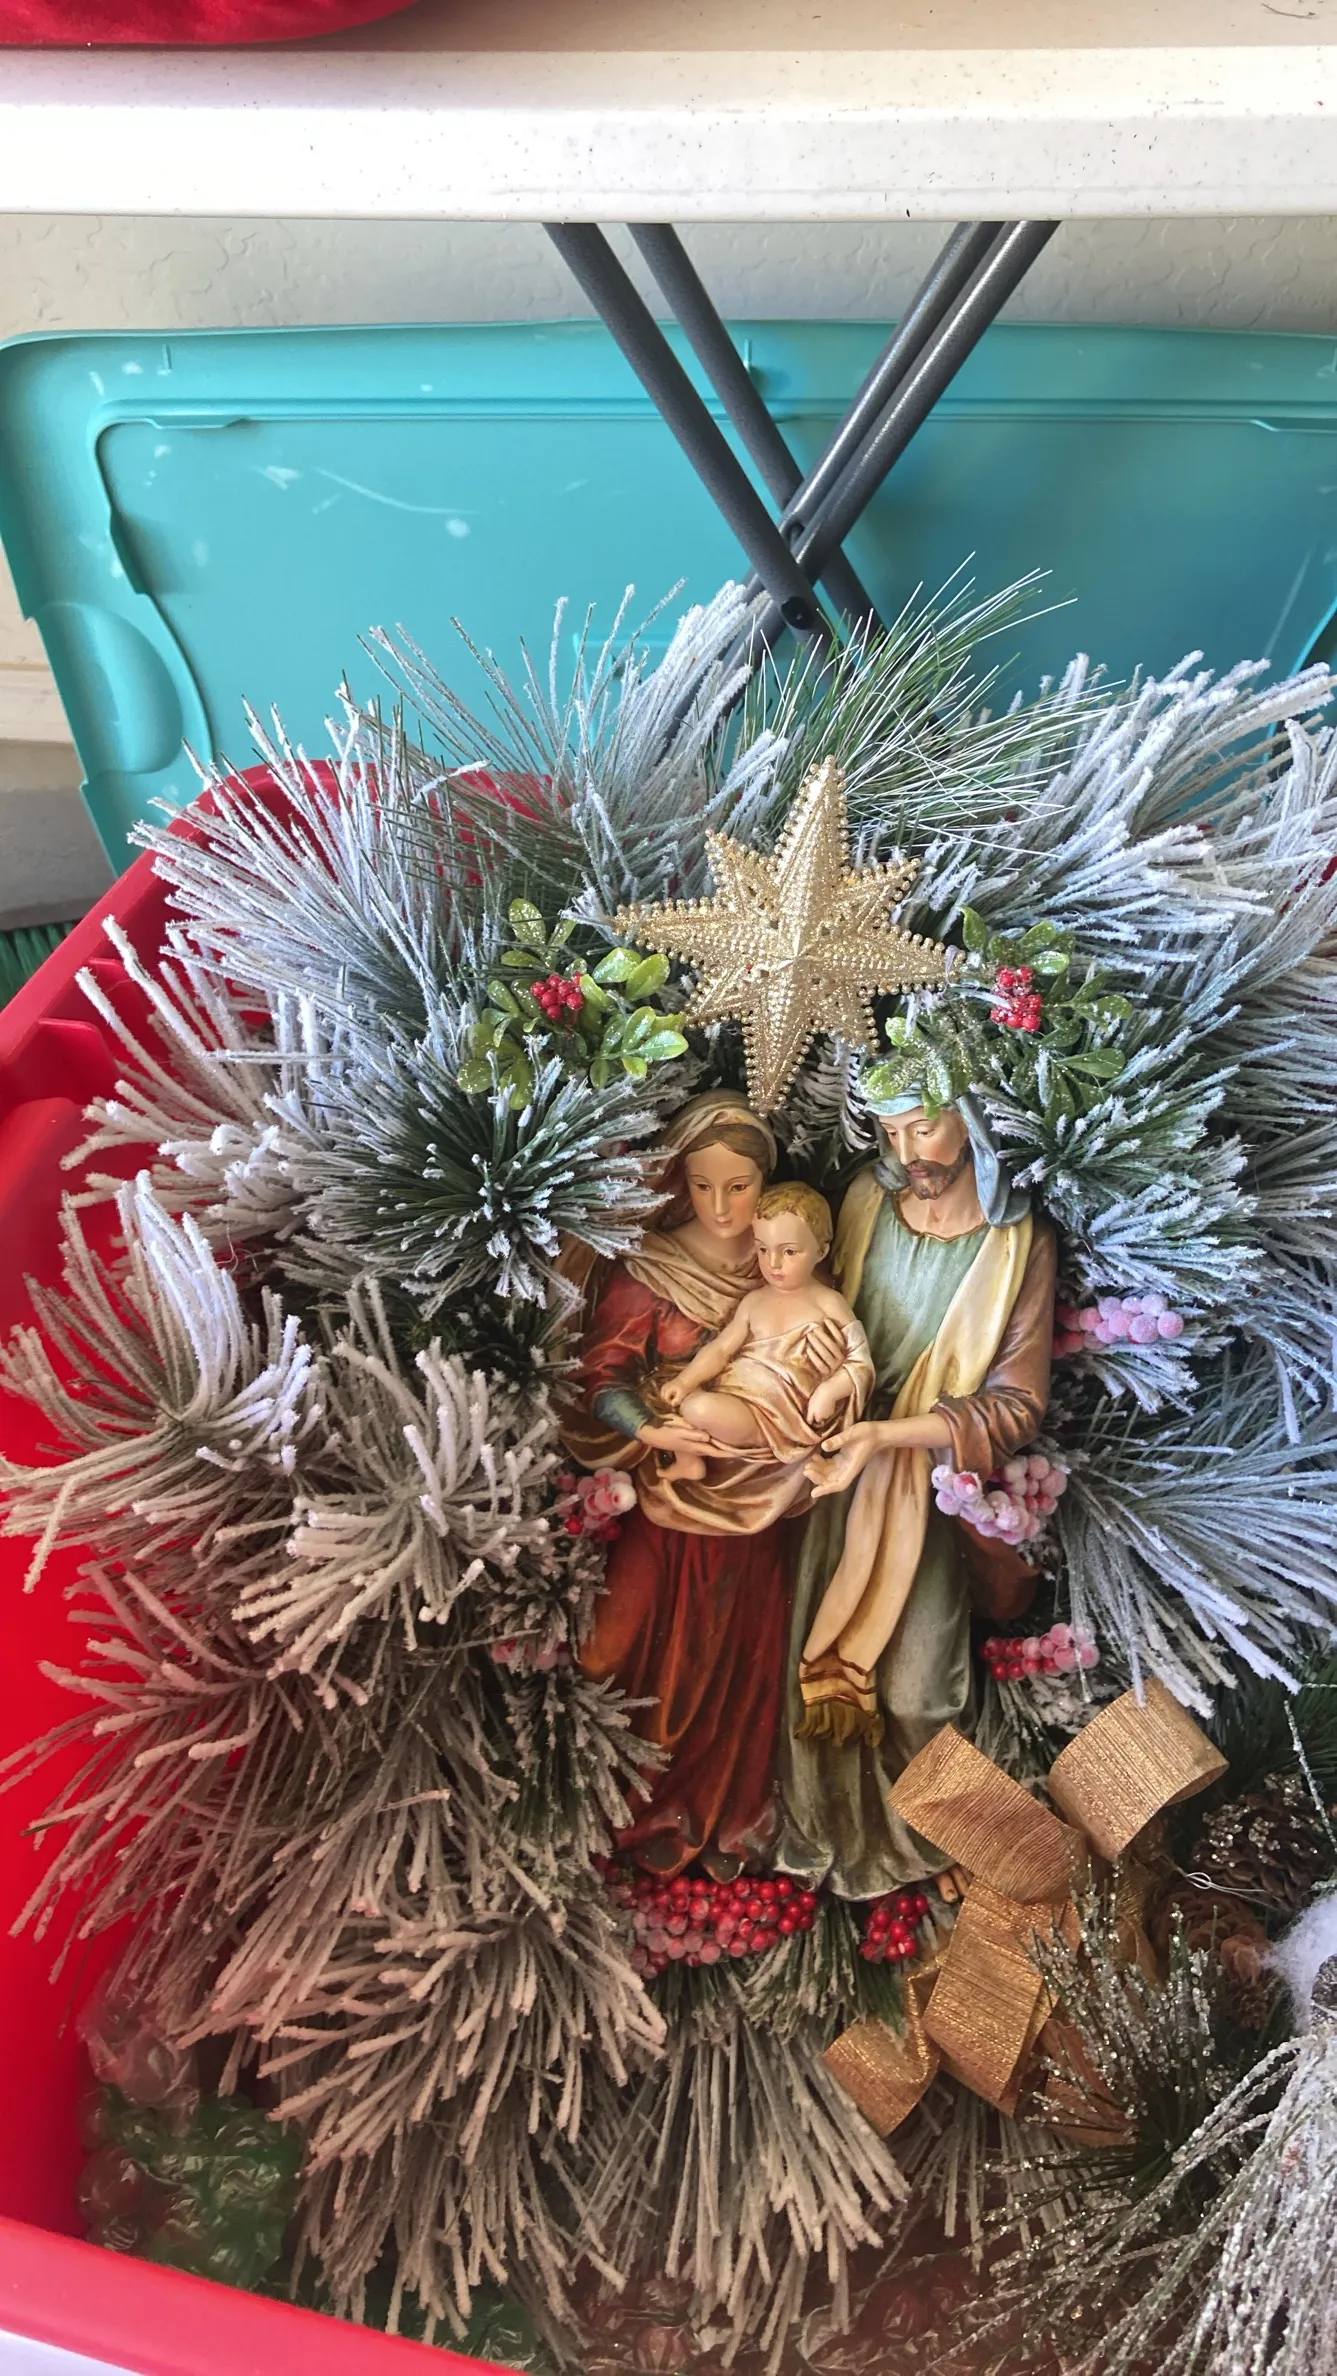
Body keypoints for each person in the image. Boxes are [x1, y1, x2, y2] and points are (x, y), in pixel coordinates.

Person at [776, 1087, 1057, 1899]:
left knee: (917, 1690)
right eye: (890, 1132)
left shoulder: (1017, 1242)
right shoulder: (865, 1201)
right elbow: (816, 1319)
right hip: (830, 1470)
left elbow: (1016, 1406)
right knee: (807, 1675)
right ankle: (838, 1839)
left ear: (968, 1119)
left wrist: (887, 1437)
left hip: (928, 1484)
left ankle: (951, 1843)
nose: (908, 1155)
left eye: (924, 1128)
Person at [564, 1092, 835, 1877]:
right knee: (612, 1650)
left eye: (739, 1186)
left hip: (761, 1498)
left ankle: (717, 1817)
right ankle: (614, 1804)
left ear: (766, 1184)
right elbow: (602, 1377)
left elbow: (831, 1355)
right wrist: (650, 1430)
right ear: (679, 1181)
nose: (720, 1207)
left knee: (736, 1660)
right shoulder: (650, 1267)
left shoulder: (787, 1267)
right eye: (703, 1184)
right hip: (666, 1497)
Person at [659, 1182, 874, 1484]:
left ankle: (717, 1440)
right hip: (736, 1393)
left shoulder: (828, 1302)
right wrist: (685, 1380)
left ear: (821, 1251)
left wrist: (829, 1391)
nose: (773, 1264)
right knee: (682, 1399)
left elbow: (861, 1363)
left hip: (775, 1417)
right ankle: (690, 1460)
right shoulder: (754, 1301)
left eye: (789, 1251)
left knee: (697, 1407)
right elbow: (721, 1349)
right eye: (762, 1249)